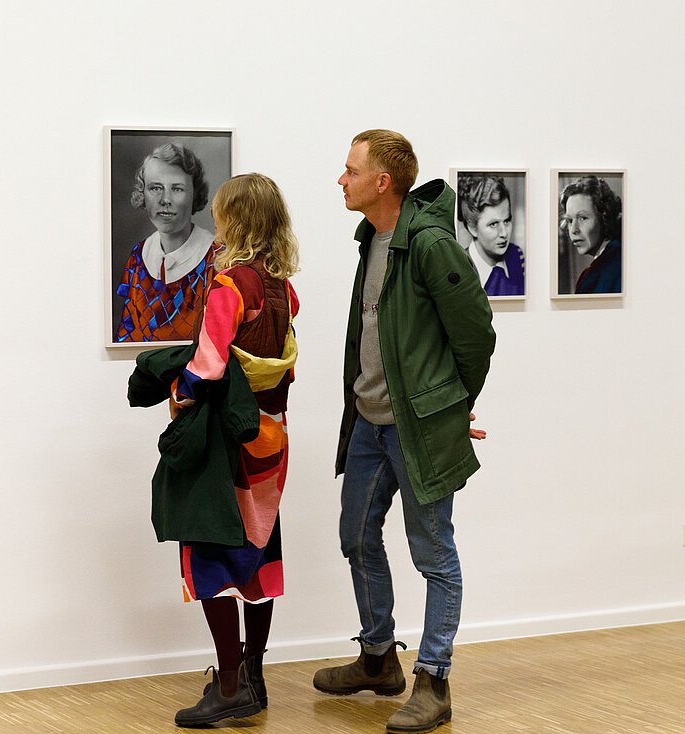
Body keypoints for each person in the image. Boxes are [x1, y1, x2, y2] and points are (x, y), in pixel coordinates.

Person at [313, 130, 495, 733]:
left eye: (351, 170)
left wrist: (452, 405)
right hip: (369, 423)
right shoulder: (370, 239)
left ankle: (434, 680)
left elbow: (476, 333)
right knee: (356, 536)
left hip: (416, 430)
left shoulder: (431, 244)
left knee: (433, 553)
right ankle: (378, 659)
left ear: (382, 181)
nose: (341, 179)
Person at [169, 173, 300, 727]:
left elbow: (207, 367)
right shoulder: (281, 288)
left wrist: (176, 395)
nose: (214, 221)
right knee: (258, 549)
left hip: (227, 442)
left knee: (212, 546)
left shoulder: (230, 287)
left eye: (221, 213)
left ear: (237, 221)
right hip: (270, 438)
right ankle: (253, 678)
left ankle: (227, 686)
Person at [116, 142, 221, 343]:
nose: (165, 200)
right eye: (156, 188)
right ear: (143, 193)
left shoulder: (217, 258)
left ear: (194, 195)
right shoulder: (139, 256)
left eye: (177, 189)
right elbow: (126, 336)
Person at [457, 174, 525, 296]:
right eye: (493, 224)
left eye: (507, 221)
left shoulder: (516, 255)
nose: (504, 233)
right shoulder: (459, 269)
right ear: (472, 228)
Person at [559, 175, 622, 294]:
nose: (574, 230)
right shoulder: (600, 268)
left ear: (604, 216)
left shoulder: (615, 268)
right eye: (570, 220)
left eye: (583, 218)